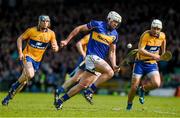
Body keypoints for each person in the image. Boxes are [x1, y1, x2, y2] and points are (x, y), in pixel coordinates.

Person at [54, 11, 122, 110]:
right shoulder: (97, 24)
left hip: (97, 61)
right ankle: (90, 91)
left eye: (117, 23)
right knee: (110, 72)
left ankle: (60, 101)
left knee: (82, 85)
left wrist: (114, 64)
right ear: (109, 19)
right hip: (91, 57)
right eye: (114, 21)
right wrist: (66, 40)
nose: (116, 24)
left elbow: (112, 52)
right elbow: (79, 28)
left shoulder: (115, 34)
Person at [2, 15, 59, 106]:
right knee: (31, 74)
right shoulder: (31, 30)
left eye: (47, 21)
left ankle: (8, 97)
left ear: (49, 23)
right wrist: (20, 52)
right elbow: (19, 39)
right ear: (39, 22)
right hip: (27, 56)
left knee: (23, 81)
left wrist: (56, 48)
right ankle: (14, 86)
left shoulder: (51, 33)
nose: (45, 23)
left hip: (37, 60)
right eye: (43, 21)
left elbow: (55, 46)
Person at [126, 19, 166, 110]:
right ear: (151, 27)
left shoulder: (162, 35)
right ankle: (129, 105)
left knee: (156, 83)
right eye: (154, 28)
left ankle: (143, 89)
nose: (156, 31)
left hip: (151, 63)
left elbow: (164, 41)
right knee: (134, 87)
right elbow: (141, 50)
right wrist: (155, 55)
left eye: (158, 29)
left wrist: (163, 53)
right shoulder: (145, 35)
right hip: (140, 63)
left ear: (160, 29)